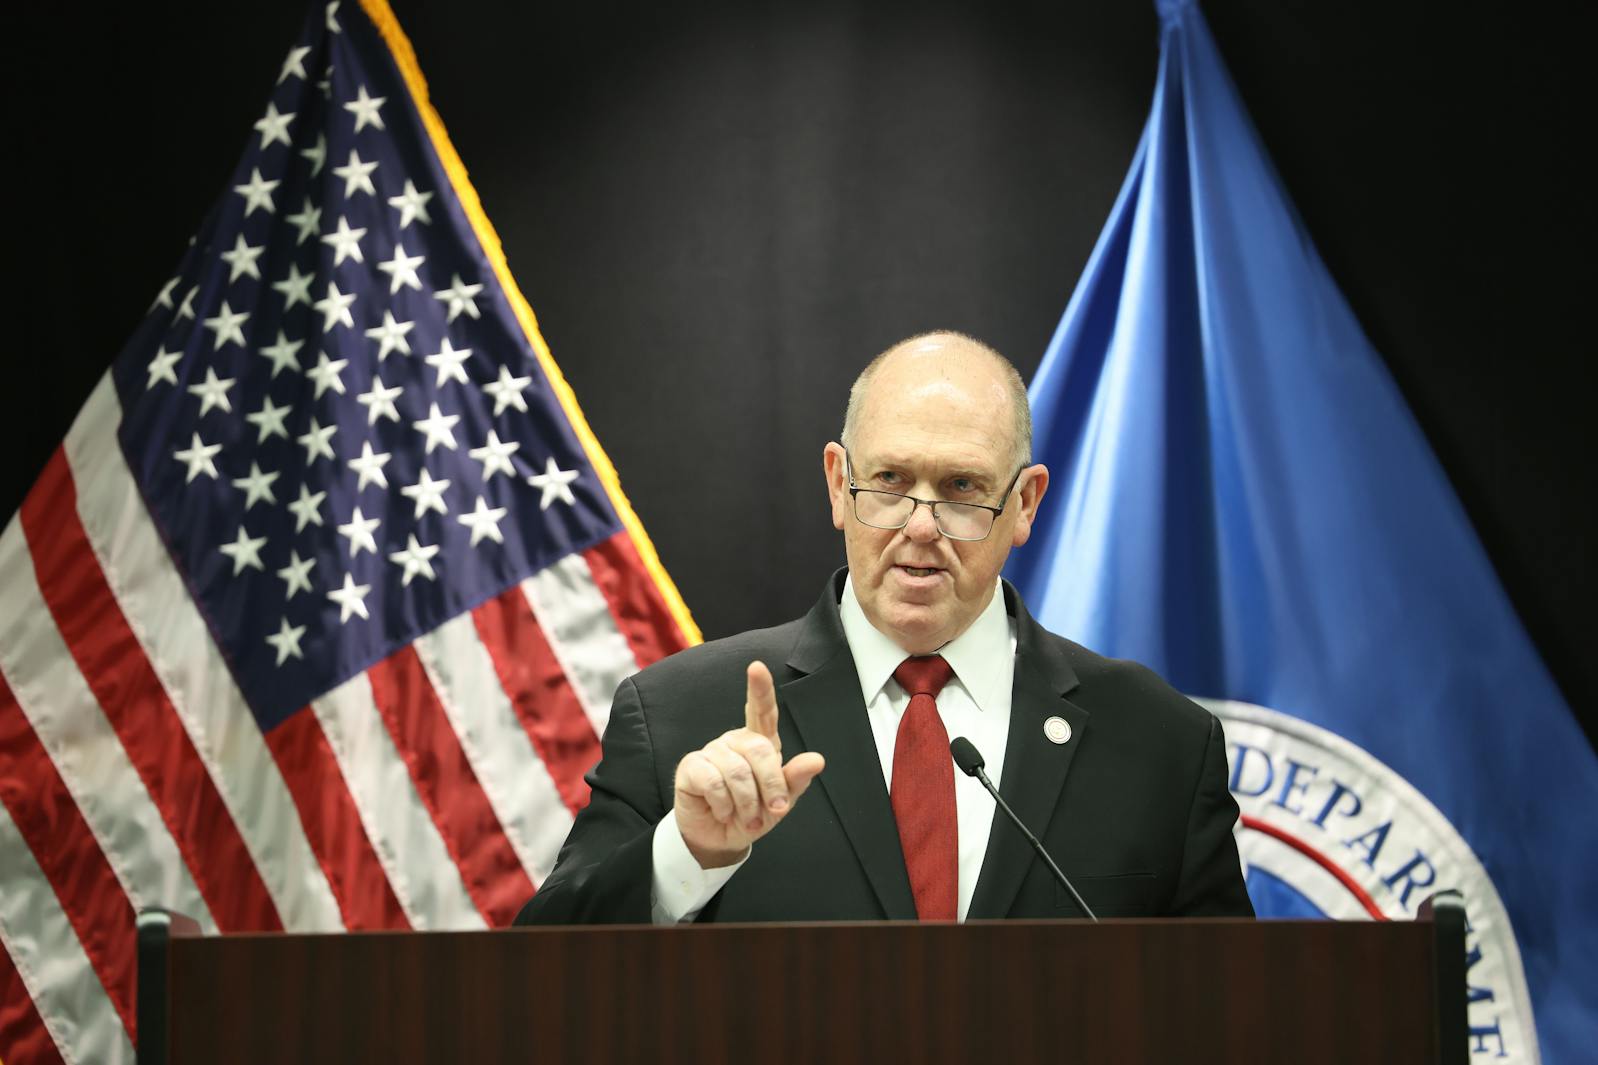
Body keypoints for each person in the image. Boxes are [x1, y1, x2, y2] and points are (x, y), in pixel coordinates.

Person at [516, 332, 1252, 925]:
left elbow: (1234, 1012)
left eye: (962, 489)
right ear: (839, 484)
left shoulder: (1160, 742)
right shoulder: (679, 713)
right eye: (890, 482)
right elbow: (542, 977)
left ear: (1025, 503)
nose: (920, 527)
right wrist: (689, 852)